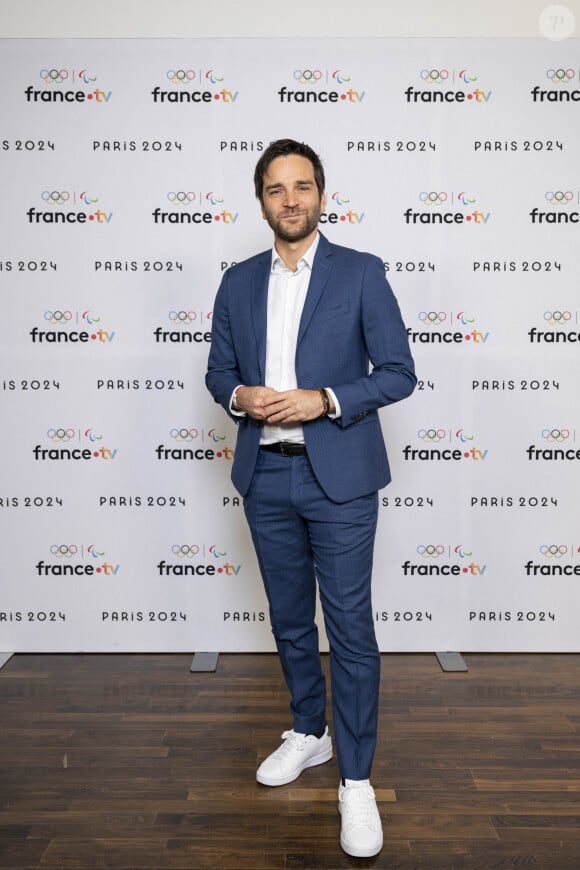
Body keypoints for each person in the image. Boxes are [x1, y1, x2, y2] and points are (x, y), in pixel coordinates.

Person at [206, 138, 416, 858]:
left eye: (301, 187)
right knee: (292, 620)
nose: (289, 200)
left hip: (342, 479)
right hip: (265, 477)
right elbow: (218, 373)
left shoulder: (361, 273)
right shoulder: (236, 282)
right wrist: (242, 395)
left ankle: (355, 780)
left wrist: (323, 398)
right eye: (275, 188)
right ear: (260, 200)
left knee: (350, 628)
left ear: (322, 195)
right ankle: (310, 732)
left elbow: (397, 373)